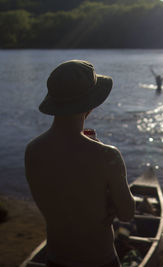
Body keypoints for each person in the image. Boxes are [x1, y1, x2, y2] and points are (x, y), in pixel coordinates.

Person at [25, 60, 135, 267]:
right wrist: (110, 198)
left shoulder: (32, 150)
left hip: (56, 259)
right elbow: (127, 214)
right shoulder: (106, 155)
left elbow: (59, 199)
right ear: (91, 105)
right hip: (100, 260)